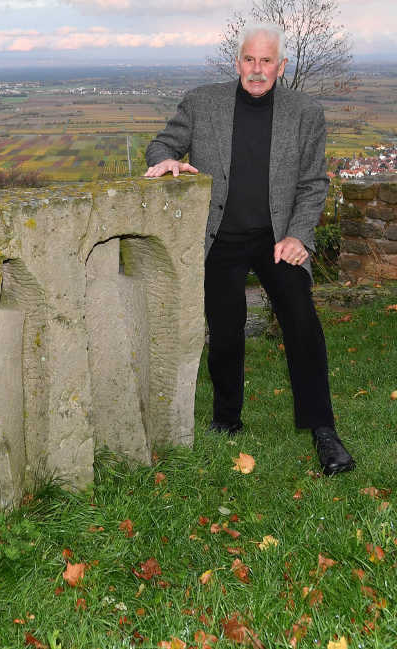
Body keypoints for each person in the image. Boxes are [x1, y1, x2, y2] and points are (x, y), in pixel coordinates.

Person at [144, 23, 355, 478]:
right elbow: (163, 142)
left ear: (281, 66)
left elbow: (313, 183)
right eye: (249, 60)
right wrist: (165, 160)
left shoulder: (305, 112)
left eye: (266, 61)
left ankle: (323, 429)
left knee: (302, 322)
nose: (256, 70)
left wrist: (299, 236)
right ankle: (226, 419)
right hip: (220, 235)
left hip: (278, 237)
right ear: (237, 61)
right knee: (225, 330)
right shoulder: (203, 102)